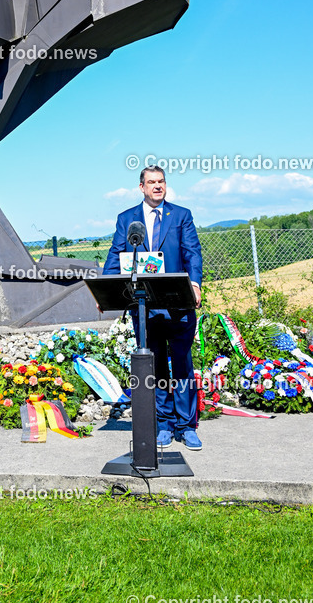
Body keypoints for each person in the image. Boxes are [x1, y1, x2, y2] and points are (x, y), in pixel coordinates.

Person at [102, 165, 204, 450]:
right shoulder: (127, 219)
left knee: (182, 364)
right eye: (151, 182)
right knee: (156, 366)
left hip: (179, 304)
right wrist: (106, 291)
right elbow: (116, 255)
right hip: (145, 308)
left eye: (161, 181)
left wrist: (194, 283)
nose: (157, 186)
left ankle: (187, 426)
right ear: (141, 187)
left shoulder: (181, 216)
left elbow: (192, 253)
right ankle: (165, 424)